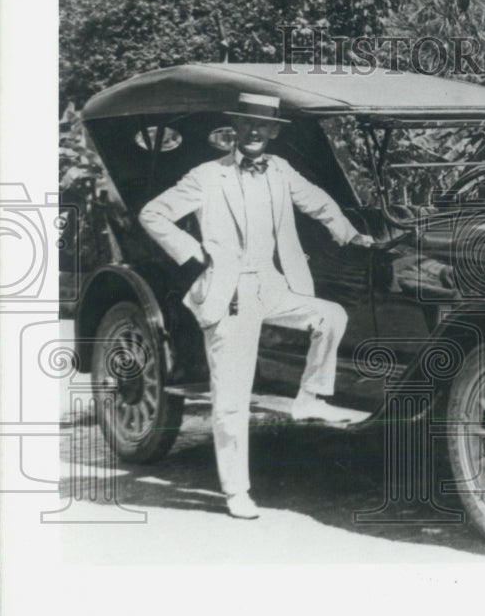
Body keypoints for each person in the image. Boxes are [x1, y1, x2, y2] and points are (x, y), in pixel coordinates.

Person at [139, 92, 374, 519]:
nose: (253, 132)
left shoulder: (280, 171)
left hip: (272, 283)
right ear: (234, 128)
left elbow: (318, 201)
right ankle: (236, 491)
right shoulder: (207, 176)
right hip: (229, 292)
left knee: (331, 316)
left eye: (262, 126)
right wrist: (196, 257)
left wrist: (351, 235)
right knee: (231, 396)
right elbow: (152, 214)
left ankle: (309, 398)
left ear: (272, 132)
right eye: (246, 124)